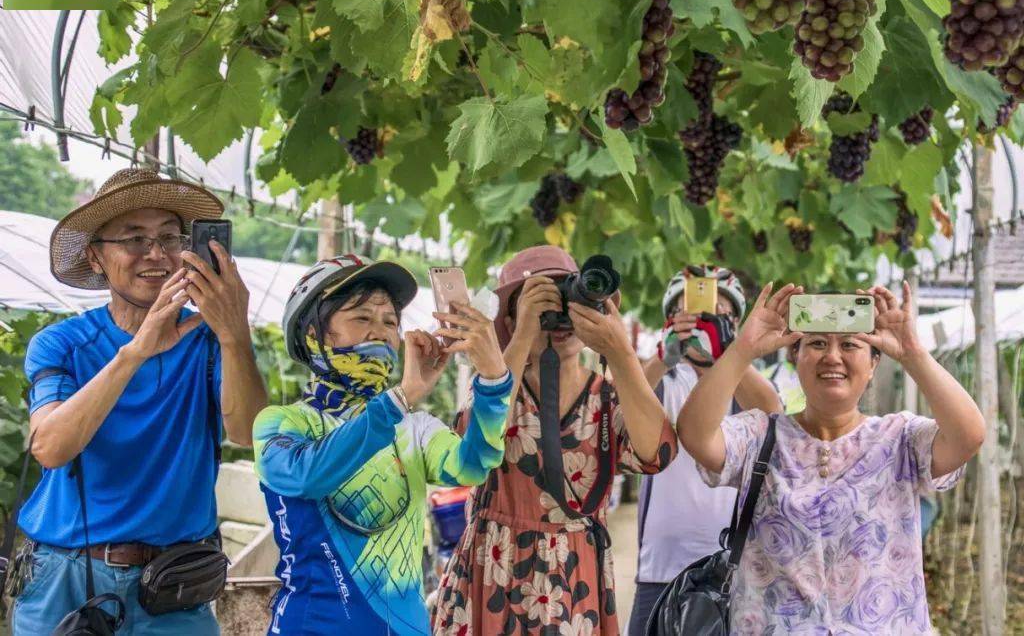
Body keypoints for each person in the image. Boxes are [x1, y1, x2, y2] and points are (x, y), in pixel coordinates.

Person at [11, 167, 267, 635]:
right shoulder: (60, 345)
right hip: (67, 577)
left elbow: (247, 433)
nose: (157, 254)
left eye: (171, 238)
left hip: (175, 583)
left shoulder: (210, 342)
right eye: (134, 239)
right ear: (95, 258)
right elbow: (50, 447)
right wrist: (137, 350)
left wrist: (235, 336)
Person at [678, 282, 985, 634]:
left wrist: (914, 353)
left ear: (873, 364)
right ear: (795, 357)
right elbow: (695, 435)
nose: (832, 356)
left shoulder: (900, 438)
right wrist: (742, 350)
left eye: (850, 344)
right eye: (817, 343)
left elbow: (968, 435)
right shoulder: (760, 435)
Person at [252, 254, 513, 635]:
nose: (381, 332)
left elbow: (473, 464)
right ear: (313, 335)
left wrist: (492, 379)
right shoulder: (283, 423)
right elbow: (306, 476)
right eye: (362, 318)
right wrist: (398, 399)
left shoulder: (413, 428)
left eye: (390, 321)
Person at [433, 245, 677, 636]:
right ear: (510, 321)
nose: (560, 316)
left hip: (574, 576)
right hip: (495, 564)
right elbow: (467, 446)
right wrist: (524, 334)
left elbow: (657, 454)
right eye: (542, 302)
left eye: (569, 298)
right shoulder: (497, 387)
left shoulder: (607, 396)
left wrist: (620, 353)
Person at [628, 267, 783, 636]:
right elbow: (622, 405)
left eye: (719, 314)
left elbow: (771, 412)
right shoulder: (662, 378)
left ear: (735, 323)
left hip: (731, 569)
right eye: (694, 311)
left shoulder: (749, 383)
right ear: (671, 320)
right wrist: (663, 358)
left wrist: (731, 352)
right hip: (659, 568)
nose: (705, 322)